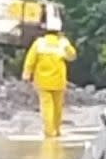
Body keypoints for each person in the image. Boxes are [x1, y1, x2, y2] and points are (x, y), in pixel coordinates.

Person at [22, 10, 77, 138]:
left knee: (46, 107)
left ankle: (49, 132)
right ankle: (57, 131)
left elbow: (30, 59)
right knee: (58, 108)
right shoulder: (63, 43)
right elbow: (72, 56)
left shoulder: (39, 43)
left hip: (42, 81)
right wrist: (66, 44)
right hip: (58, 81)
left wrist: (26, 74)